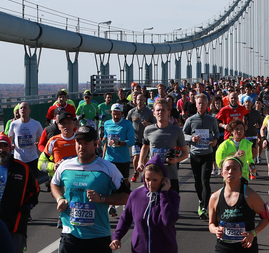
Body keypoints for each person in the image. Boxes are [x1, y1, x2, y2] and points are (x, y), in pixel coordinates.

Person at [51, 125, 130, 253]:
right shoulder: (65, 166)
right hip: (70, 234)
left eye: (86, 143)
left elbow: (127, 197)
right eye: (79, 143)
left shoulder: (108, 168)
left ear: (96, 144)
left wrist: (102, 198)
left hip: (98, 237)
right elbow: (54, 183)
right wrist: (59, 198)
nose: (81, 147)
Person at [111, 154, 180, 253]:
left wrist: (164, 194)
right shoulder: (135, 195)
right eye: (147, 179)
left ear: (163, 179)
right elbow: (125, 219)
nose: (150, 184)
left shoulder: (172, 196)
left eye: (155, 180)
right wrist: (116, 237)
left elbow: (168, 220)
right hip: (139, 249)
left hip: (165, 249)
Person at [208, 156, 269, 252]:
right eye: (227, 169)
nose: (230, 172)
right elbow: (211, 224)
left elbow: (267, 217)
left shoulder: (250, 195)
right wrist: (215, 230)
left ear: (240, 173)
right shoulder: (215, 197)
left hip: (246, 248)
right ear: (222, 173)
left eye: (234, 169)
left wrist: (253, 233)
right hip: (223, 248)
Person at [0, 133, 39, 253]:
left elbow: (34, 191)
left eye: (5, 146)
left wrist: (28, 205)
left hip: (14, 224)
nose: (2, 150)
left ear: (11, 148)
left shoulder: (23, 168)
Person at [138, 98, 189, 194]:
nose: (160, 112)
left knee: (171, 207)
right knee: (153, 207)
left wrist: (176, 160)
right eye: (158, 110)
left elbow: (185, 153)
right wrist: (140, 162)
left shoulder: (176, 131)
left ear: (168, 112)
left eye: (163, 110)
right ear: (154, 113)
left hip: (170, 176)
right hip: (153, 177)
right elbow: (145, 147)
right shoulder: (148, 130)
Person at [184, 92, 220, 219]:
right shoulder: (191, 120)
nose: (201, 105)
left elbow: (217, 133)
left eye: (203, 103)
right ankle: (201, 200)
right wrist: (192, 138)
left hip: (207, 154)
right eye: (199, 103)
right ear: (196, 104)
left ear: (207, 104)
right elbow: (183, 134)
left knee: (205, 180)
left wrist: (215, 140)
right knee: (197, 181)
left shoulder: (212, 120)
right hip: (195, 154)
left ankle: (205, 207)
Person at [102, 103, 135, 217]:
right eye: (114, 114)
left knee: (124, 181)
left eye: (118, 114)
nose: (116, 116)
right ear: (111, 113)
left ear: (122, 114)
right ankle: (112, 205)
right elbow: (105, 141)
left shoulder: (127, 124)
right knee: (109, 182)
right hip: (109, 158)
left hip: (123, 159)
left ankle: (127, 200)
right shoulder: (107, 123)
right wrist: (103, 155)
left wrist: (119, 143)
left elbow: (132, 141)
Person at [7, 101, 44, 185]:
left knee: (32, 183)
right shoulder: (14, 124)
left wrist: (39, 143)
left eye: (25, 108)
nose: (23, 109)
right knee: (19, 183)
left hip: (32, 158)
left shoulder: (36, 124)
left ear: (29, 111)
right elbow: (9, 138)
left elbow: (42, 138)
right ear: (19, 111)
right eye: (21, 108)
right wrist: (10, 146)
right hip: (18, 159)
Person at [127, 94, 156, 183]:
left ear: (144, 101)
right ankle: (136, 172)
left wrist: (148, 124)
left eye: (141, 100)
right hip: (135, 138)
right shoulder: (132, 112)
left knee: (144, 158)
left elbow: (155, 124)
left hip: (145, 139)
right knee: (136, 157)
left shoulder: (149, 112)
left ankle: (144, 173)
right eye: (138, 99)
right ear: (135, 100)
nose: (139, 101)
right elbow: (127, 123)